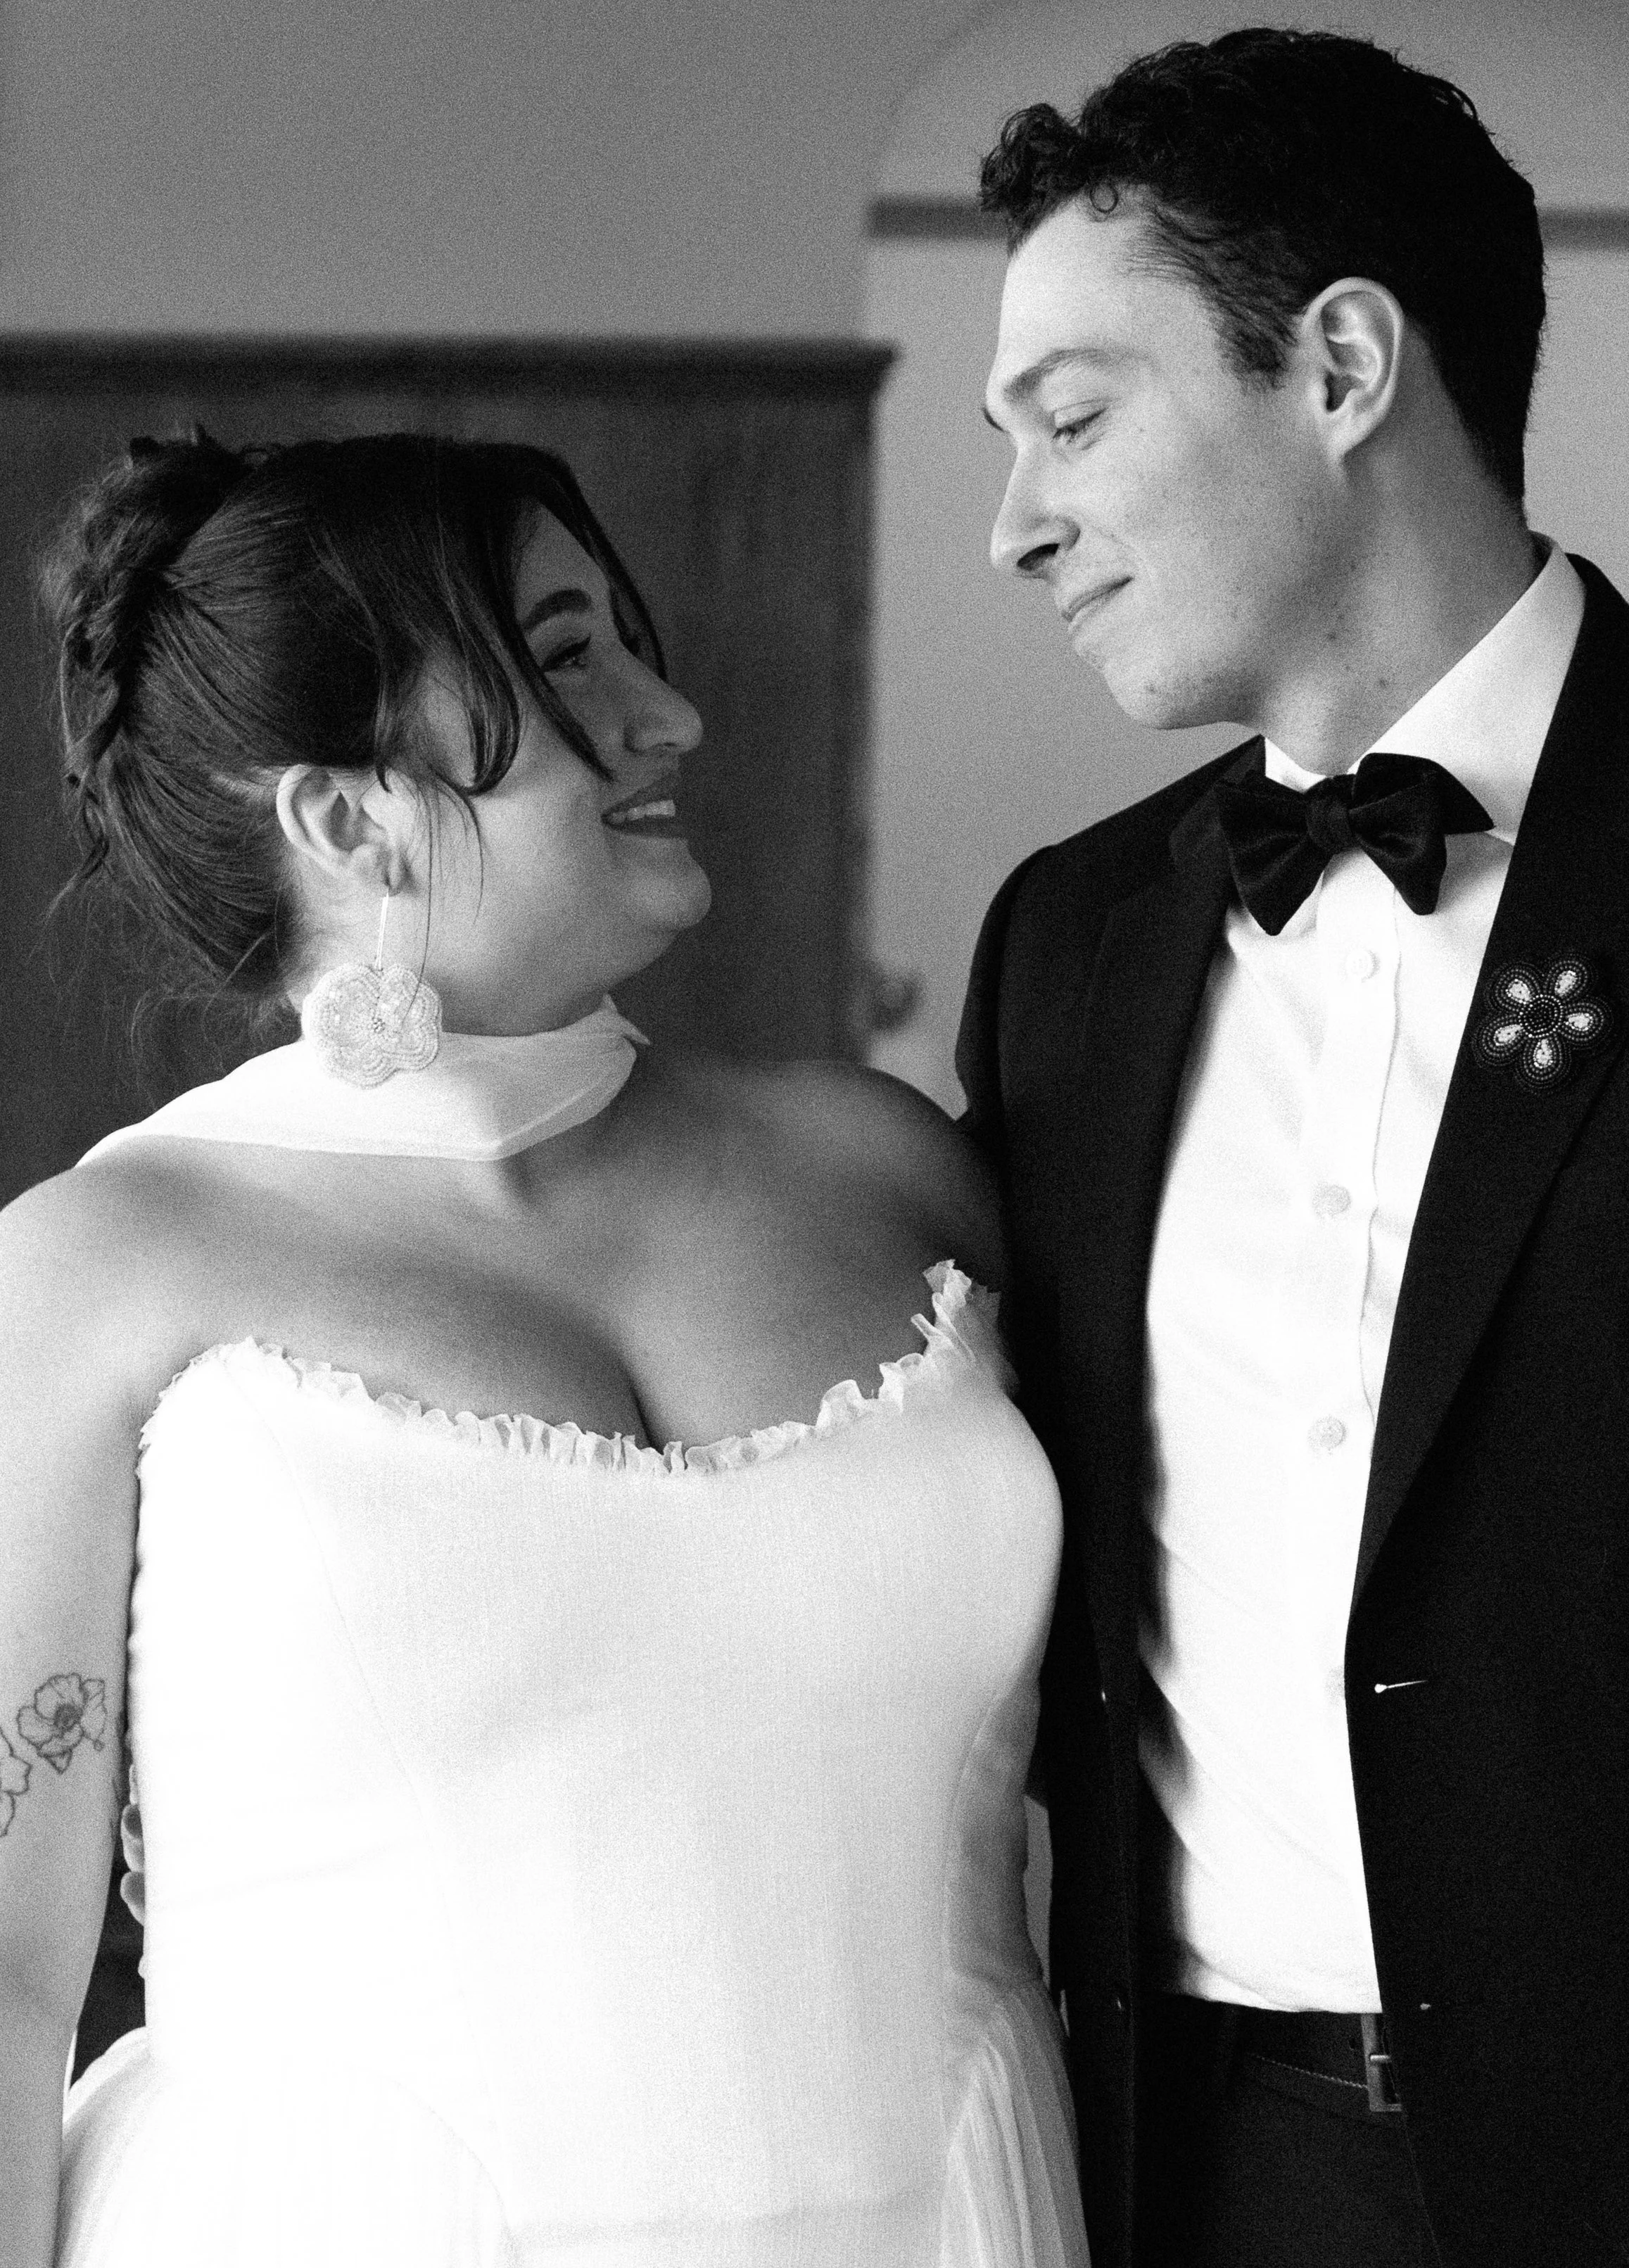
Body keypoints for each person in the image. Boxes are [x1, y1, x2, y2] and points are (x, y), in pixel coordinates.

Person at [0, 428, 1090, 2268]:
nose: (663, 714)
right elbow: (13, 1971)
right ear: (348, 818)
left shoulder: (889, 1169)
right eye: (566, 654)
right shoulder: (102, 1269)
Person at [958, 27, 1629, 2268]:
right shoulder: (1067, 950)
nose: (1013, 523)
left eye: (1072, 416)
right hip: (1209, 2173)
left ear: (1335, 366)